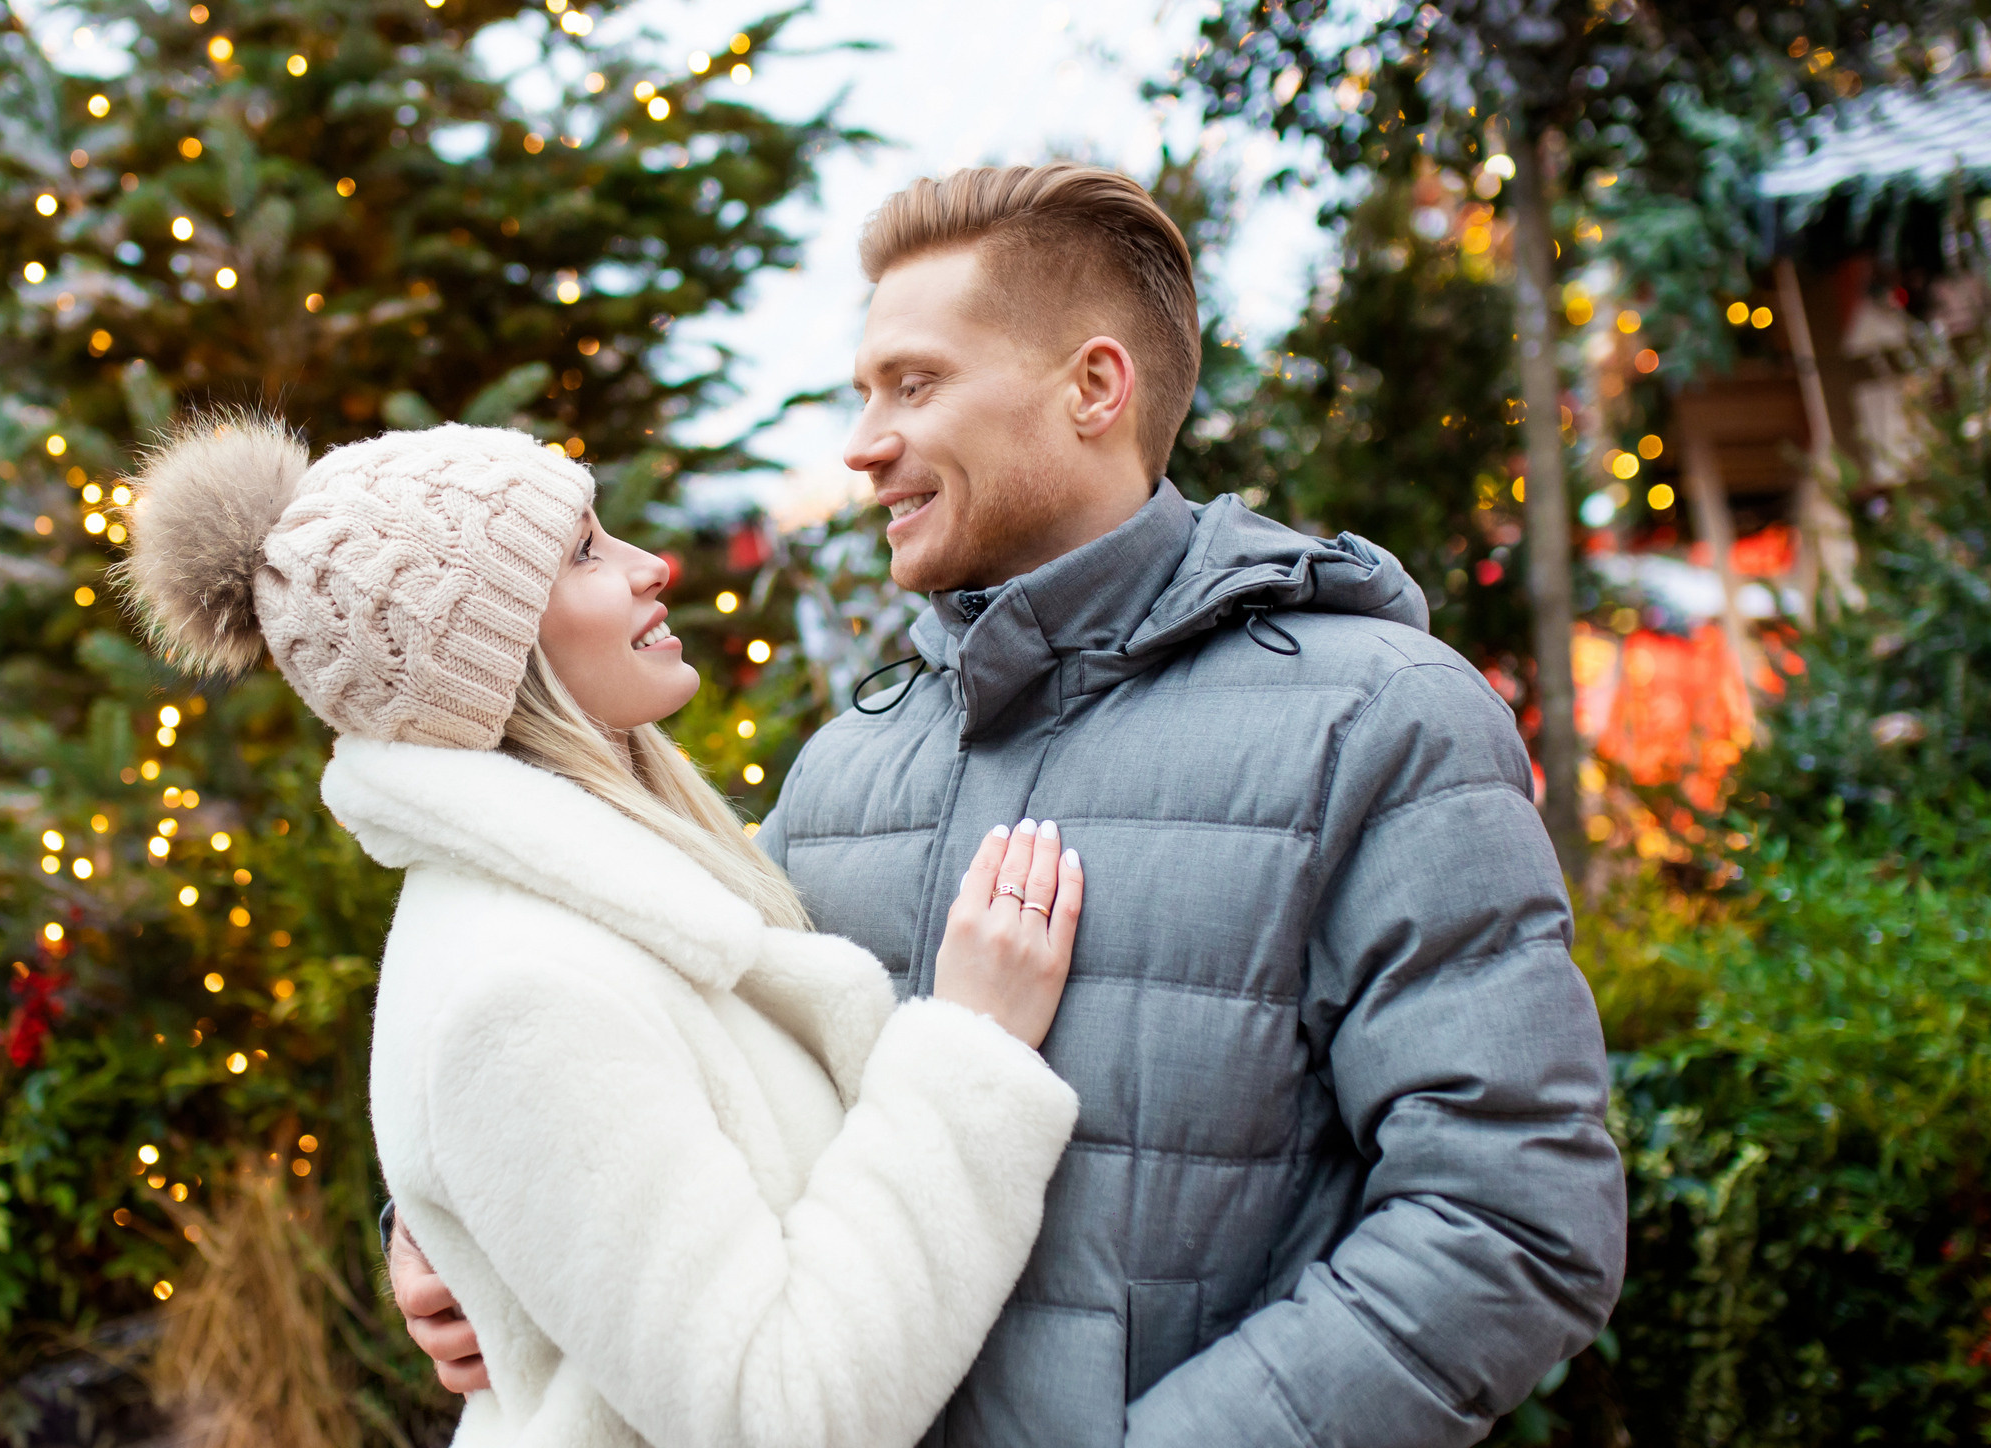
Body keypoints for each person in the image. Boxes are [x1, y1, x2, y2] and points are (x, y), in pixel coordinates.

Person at [395, 164, 1628, 1447]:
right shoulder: (845, 773)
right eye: (864, 390)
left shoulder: (1379, 722)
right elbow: (636, 1052)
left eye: (915, 385)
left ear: (1095, 387)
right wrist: (460, 1216)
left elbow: (1512, 1220)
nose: (864, 442)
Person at [121, 419, 1089, 1448]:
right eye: (582, 550)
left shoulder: (620, 897)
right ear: (490, 657)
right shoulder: (520, 989)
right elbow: (779, 1415)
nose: (649, 566)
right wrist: (972, 1051)